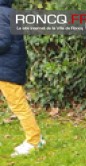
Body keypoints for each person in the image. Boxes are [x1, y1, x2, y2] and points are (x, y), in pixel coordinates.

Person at [0, 0, 44, 157]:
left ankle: (34, 140)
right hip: (8, 66)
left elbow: (3, 42)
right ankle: (36, 137)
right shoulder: (8, 12)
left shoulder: (1, 14)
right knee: (18, 104)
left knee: (19, 105)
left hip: (6, 69)